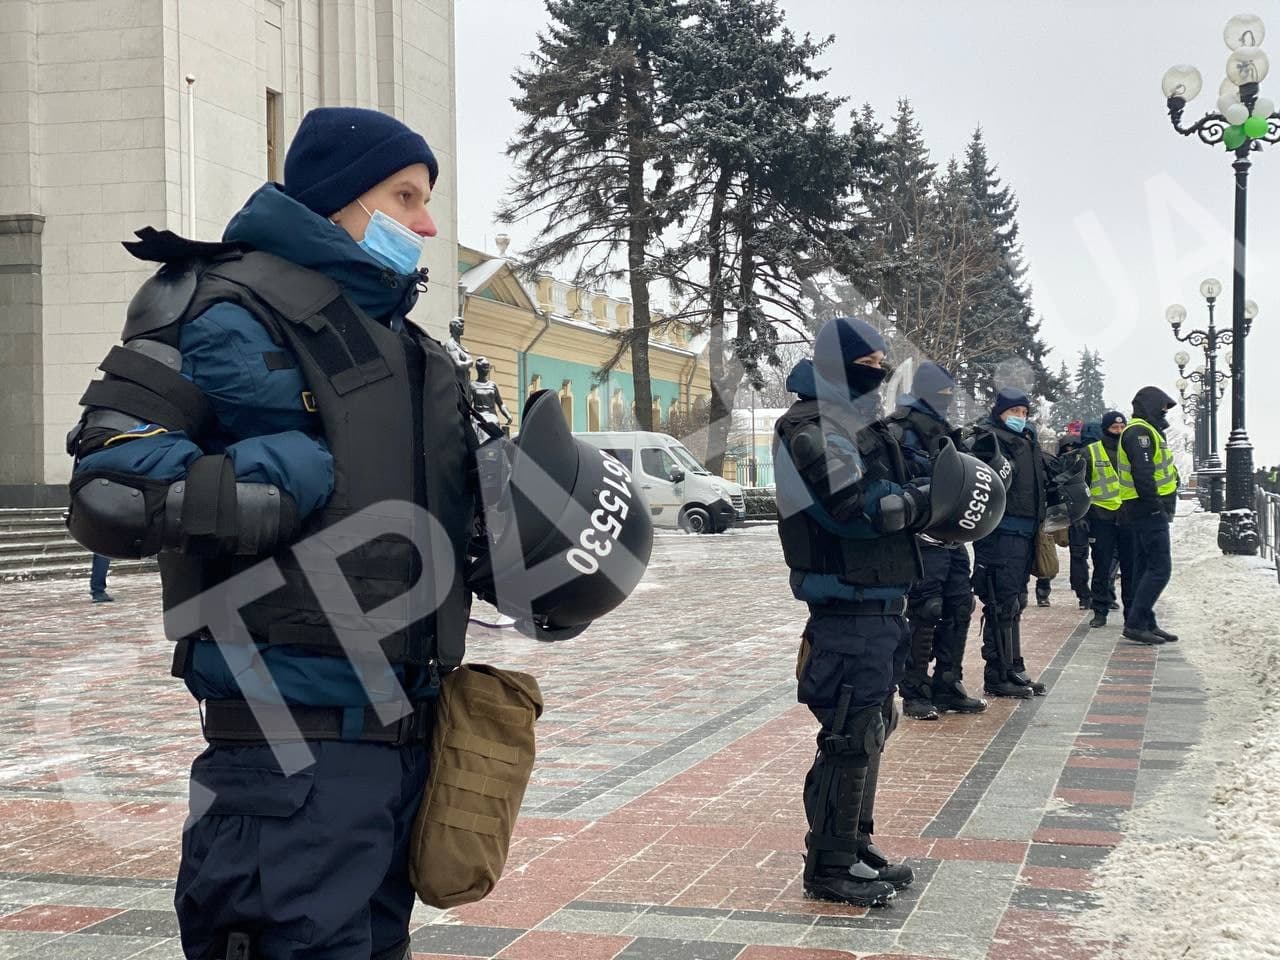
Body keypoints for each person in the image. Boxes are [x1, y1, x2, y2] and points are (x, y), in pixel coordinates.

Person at [63, 107, 650, 960]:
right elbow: (110, 492)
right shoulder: (218, 305)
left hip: (404, 747)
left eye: (428, 200)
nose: (427, 223)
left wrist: (534, 535)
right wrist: (276, 479)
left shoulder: (416, 354)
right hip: (283, 757)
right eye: (404, 196)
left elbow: (454, 535)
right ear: (336, 199)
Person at [775, 317, 1003, 907]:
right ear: (838, 364)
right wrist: (928, 502)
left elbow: (904, 480)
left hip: (878, 601)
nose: (877, 373)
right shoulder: (811, 426)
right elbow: (853, 505)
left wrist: (947, 480)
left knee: (873, 725)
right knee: (850, 731)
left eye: (881, 363)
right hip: (845, 604)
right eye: (868, 362)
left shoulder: (857, 424)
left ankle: (854, 843)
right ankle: (829, 864)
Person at [886, 362, 987, 720]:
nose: (948, 397)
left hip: (955, 536)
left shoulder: (948, 431)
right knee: (925, 612)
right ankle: (915, 689)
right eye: (942, 391)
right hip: (922, 536)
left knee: (960, 607)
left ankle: (949, 683)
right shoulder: (899, 430)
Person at [971, 388, 1049, 699]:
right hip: (1001, 530)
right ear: (1000, 412)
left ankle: (1014, 667)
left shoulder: (1028, 441)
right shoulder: (989, 439)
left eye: (1024, 412)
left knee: (1016, 601)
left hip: (1026, 530)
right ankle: (997, 672)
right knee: (1001, 602)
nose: (1020, 417)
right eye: (1013, 411)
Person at [1118, 386, 1180, 645]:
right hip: (1147, 508)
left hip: (1145, 508)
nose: (1165, 413)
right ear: (1152, 406)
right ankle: (1135, 623)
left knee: (1144, 567)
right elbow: (1143, 474)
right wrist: (1155, 505)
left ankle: (1146, 622)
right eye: (1163, 408)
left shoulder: (1147, 431)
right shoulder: (1139, 432)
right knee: (1160, 568)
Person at [1083, 413, 1130, 628]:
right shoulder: (1091, 452)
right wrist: (1082, 517)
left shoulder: (1131, 450)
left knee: (1131, 567)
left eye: (1122, 426)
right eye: (1114, 426)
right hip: (1101, 517)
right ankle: (1099, 610)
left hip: (1129, 516)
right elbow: (1081, 487)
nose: (1119, 430)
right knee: (1102, 566)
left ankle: (1132, 612)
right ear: (1105, 428)